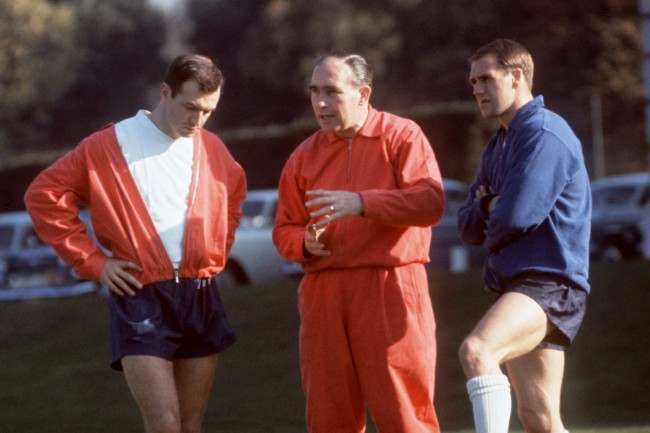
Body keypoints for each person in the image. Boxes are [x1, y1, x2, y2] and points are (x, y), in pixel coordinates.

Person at [24, 54, 246, 433]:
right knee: (163, 424)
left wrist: (213, 253)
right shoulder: (109, 144)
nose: (198, 120)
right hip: (140, 293)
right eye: (190, 107)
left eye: (208, 111)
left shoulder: (213, 149)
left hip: (201, 293)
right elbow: (44, 196)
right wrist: (94, 263)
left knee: (191, 425)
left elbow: (233, 197)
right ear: (165, 92)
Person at [273, 54, 445, 433]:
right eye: (315, 91)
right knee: (329, 414)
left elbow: (430, 202)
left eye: (332, 92)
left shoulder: (402, 135)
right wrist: (303, 242)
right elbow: (283, 229)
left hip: (390, 283)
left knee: (404, 412)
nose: (320, 103)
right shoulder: (302, 157)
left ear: (363, 94)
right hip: (323, 292)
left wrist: (363, 203)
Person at [457, 39, 591, 433]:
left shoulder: (545, 133)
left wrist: (493, 207)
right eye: (472, 82)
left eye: (486, 78)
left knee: (477, 351)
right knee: (539, 420)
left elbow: (517, 217)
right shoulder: (498, 144)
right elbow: (467, 227)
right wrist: (486, 206)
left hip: (549, 284)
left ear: (516, 77)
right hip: (518, 286)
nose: (477, 89)